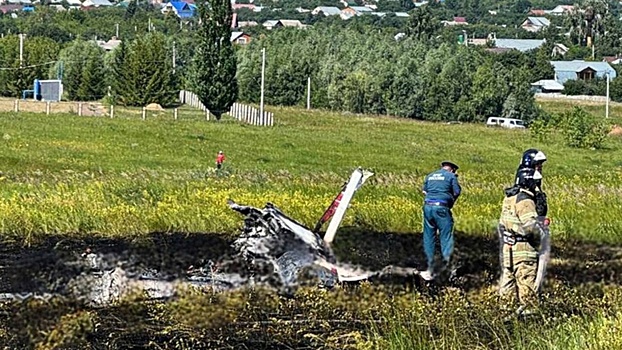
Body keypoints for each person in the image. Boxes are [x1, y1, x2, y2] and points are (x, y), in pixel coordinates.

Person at [498, 166, 551, 318]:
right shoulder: (525, 200)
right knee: (527, 289)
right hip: (524, 252)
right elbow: (530, 228)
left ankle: (504, 319)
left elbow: (502, 224)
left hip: (509, 250)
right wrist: (543, 232)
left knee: (507, 288)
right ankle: (529, 324)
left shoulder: (509, 198)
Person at [420, 161, 462, 281]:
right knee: (446, 237)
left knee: (429, 237)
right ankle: (448, 268)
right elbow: (457, 192)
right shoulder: (451, 176)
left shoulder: (430, 176)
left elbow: (424, 191)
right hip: (442, 208)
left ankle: (429, 267)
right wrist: (451, 201)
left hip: (428, 207)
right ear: (452, 170)